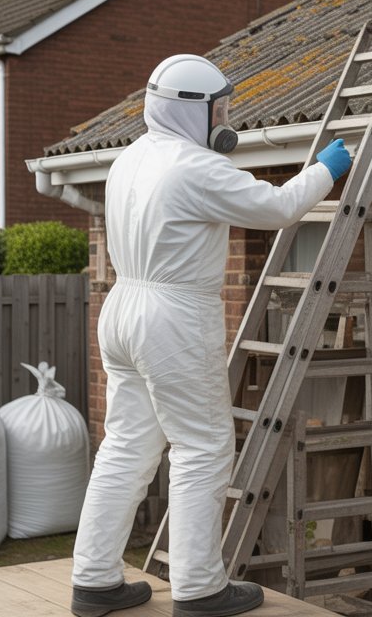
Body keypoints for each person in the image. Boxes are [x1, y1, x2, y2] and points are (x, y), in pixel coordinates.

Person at [70, 54, 353, 617]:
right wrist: (326, 168)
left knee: (126, 447)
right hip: (173, 316)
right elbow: (276, 208)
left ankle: (94, 580)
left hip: (122, 306)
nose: (226, 119)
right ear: (192, 112)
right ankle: (199, 588)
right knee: (202, 448)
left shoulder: (129, 159)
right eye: (221, 109)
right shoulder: (194, 166)